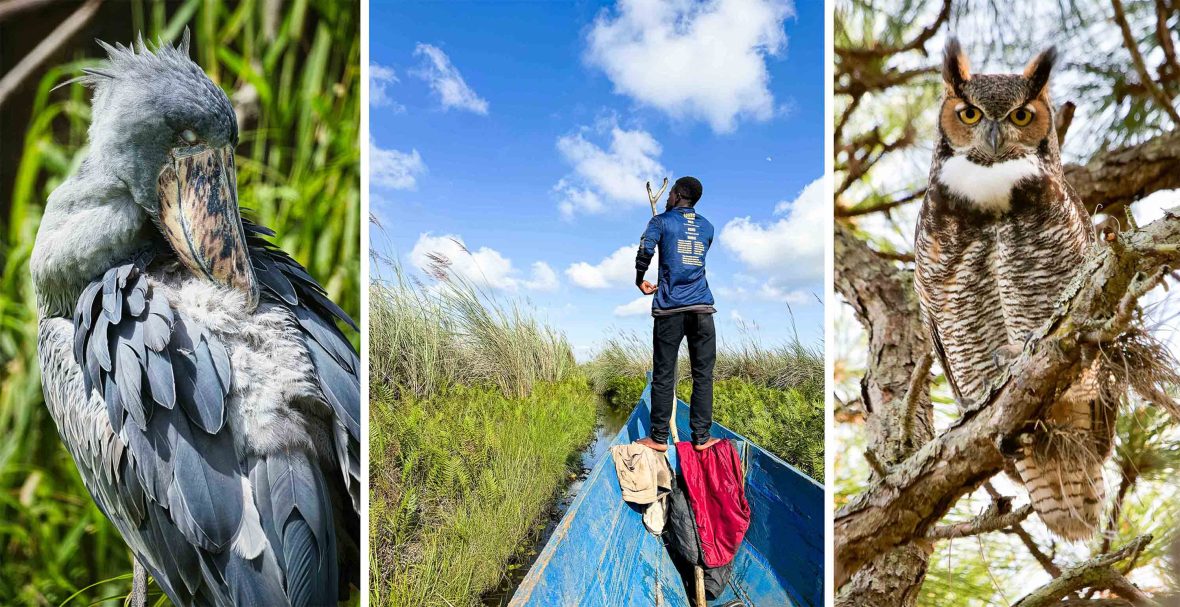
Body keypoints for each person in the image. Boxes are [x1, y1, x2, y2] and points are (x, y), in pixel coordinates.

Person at [633, 176, 720, 453]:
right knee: (703, 375)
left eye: (670, 193)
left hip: (670, 309)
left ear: (680, 194)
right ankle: (702, 438)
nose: (668, 197)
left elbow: (646, 249)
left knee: (663, 374)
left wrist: (639, 279)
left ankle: (658, 438)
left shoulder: (660, 221)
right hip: (702, 309)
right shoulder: (708, 227)